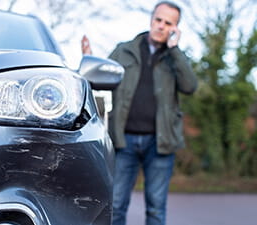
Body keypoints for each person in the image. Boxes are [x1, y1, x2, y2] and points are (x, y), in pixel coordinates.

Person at [81, 1, 198, 225]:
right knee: (115, 204)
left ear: (175, 28)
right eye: (159, 20)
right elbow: (101, 77)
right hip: (124, 140)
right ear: (151, 20)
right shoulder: (124, 50)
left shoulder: (175, 58)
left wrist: (174, 50)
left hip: (160, 143)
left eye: (168, 23)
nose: (161, 26)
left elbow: (189, 86)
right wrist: (89, 59)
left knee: (156, 208)